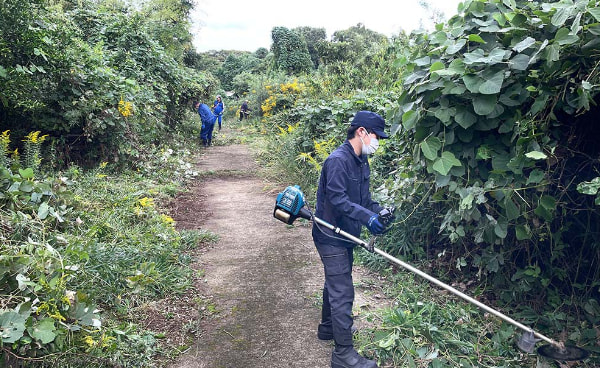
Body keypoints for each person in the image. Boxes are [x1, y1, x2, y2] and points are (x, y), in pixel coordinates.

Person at [312, 111, 389, 368]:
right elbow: (337, 200)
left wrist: (378, 212)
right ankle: (343, 354)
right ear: (362, 132)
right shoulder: (338, 161)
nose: (377, 142)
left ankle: (327, 328)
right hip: (329, 233)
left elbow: (363, 200)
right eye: (377, 136)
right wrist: (367, 219)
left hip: (347, 235)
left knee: (335, 282)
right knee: (342, 290)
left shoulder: (361, 161)